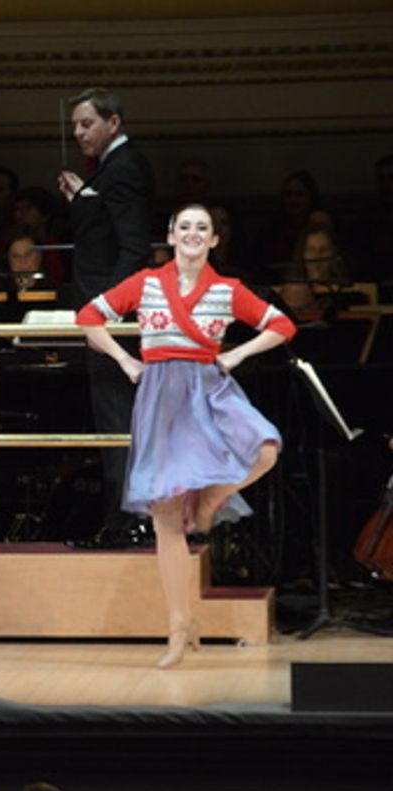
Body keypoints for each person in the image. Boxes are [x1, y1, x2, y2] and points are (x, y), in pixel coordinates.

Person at [76, 204, 294, 668]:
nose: (193, 234)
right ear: (171, 236)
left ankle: (214, 496)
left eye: (202, 228)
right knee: (167, 515)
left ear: (214, 240)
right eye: (185, 227)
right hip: (161, 396)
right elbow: (89, 317)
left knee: (265, 449)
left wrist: (237, 355)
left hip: (209, 389)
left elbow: (282, 325)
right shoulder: (145, 283)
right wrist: (125, 359)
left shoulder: (228, 290)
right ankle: (180, 625)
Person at [57, 86, 156, 550]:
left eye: (87, 124)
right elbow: (106, 230)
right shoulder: (112, 169)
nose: (78, 133)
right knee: (113, 419)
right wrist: (83, 199)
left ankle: (128, 523)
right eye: (75, 126)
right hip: (105, 315)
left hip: (112, 319)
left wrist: (110, 311)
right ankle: (124, 520)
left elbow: (133, 247)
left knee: (118, 421)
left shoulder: (125, 167)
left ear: (113, 123)